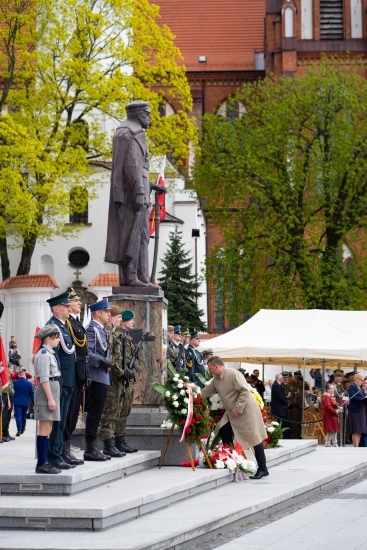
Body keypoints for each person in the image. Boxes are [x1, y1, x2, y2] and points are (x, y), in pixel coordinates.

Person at [105, 100, 165, 287]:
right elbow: (131, 168)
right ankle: (132, 277)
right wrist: (140, 193)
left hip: (137, 192)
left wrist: (151, 185)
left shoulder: (130, 133)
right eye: (147, 114)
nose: (150, 118)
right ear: (139, 115)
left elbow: (138, 169)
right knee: (133, 235)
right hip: (132, 196)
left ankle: (140, 276)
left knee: (141, 236)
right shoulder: (129, 134)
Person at [202, 356, 268, 480]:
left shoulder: (233, 374)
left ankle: (263, 469)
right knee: (223, 429)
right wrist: (194, 397)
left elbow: (245, 391)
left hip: (245, 410)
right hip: (232, 412)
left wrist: (237, 409)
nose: (210, 371)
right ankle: (229, 457)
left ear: (217, 366)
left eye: (210, 369)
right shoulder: (216, 378)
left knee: (254, 438)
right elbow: (207, 390)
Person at [46, 291, 79, 470]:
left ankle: (58, 454)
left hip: (68, 379)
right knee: (57, 421)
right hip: (60, 380)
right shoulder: (52, 327)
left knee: (63, 420)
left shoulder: (63, 326)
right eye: (66, 307)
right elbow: (54, 356)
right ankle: (54, 456)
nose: (69, 309)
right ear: (56, 309)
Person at [100, 309, 138, 455]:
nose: (133, 322)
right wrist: (122, 373)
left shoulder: (126, 338)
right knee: (112, 411)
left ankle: (120, 440)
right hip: (116, 380)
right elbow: (113, 360)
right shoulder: (115, 337)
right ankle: (108, 444)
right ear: (122, 321)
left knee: (124, 410)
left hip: (126, 380)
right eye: (130, 319)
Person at [85, 299, 115, 461]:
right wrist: (102, 361)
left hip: (102, 376)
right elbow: (87, 352)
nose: (109, 314)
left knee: (98, 413)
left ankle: (93, 447)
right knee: (94, 414)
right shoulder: (91, 330)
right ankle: (90, 448)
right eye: (107, 311)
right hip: (96, 376)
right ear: (98, 313)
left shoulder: (100, 330)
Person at [62, 288, 87, 466]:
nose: (80, 303)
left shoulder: (76, 323)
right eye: (76, 301)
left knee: (73, 414)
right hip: (71, 372)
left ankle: (67, 447)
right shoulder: (67, 323)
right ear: (68, 304)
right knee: (68, 413)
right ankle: (64, 449)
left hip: (79, 373)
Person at [33, 324, 62, 474]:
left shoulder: (49, 353)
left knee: (48, 428)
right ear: (49, 338)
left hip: (51, 390)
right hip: (46, 393)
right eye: (56, 338)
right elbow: (44, 378)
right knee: (44, 428)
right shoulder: (44, 354)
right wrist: (50, 399)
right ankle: (41, 463)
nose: (58, 341)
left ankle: (45, 461)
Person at [346, 373, 367, 447]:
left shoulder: (360, 388)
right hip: (355, 411)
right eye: (361, 380)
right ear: (356, 379)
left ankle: (357, 446)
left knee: (360, 430)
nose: (362, 382)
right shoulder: (352, 387)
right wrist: (362, 398)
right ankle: (356, 446)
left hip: (361, 411)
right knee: (356, 430)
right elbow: (352, 397)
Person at [13, 368, 34, 436]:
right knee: (23, 416)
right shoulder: (29, 383)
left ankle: (19, 429)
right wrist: (34, 404)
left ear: (18, 375)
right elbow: (31, 394)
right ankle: (23, 428)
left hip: (17, 402)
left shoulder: (14, 383)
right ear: (25, 375)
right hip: (25, 402)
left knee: (18, 416)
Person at [321, 383, 341, 447]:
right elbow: (328, 407)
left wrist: (338, 407)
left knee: (332, 430)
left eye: (333, 388)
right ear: (327, 389)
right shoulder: (326, 397)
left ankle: (328, 442)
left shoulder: (330, 396)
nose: (333, 389)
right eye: (332, 388)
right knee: (332, 430)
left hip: (332, 415)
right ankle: (334, 443)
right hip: (329, 415)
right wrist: (335, 411)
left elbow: (333, 404)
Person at [271, 373, 289, 438]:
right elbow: (280, 397)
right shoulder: (276, 386)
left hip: (280, 409)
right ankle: (282, 436)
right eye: (282, 379)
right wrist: (286, 403)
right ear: (280, 379)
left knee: (283, 423)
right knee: (281, 424)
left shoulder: (276, 385)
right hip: (279, 410)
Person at [2, 364, 15, 442]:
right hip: (5, 396)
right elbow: (5, 389)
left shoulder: (9, 377)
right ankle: (2, 433)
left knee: (8, 416)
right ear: (6, 368)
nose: (12, 370)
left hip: (9, 396)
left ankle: (6, 432)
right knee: (4, 416)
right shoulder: (4, 377)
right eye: (11, 368)